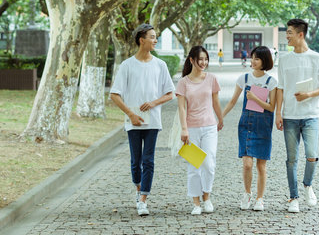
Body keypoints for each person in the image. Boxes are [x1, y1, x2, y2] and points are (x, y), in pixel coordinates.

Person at [110, 23, 176, 216]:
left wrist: (154, 103)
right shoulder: (127, 65)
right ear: (142, 40)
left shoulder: (160, 65)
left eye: (156, 37)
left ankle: (143, 199)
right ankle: (138, 190)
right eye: (152, 37)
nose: (155, 40)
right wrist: (130, 115)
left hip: (153, 121)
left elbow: (170, 93)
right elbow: (114, 95)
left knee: (148, 160)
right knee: (135, 161)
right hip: (133, 122)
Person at [275, 19, 319, 213]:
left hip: (311, 115)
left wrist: (308, 95)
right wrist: (278, 113)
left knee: (312, 155)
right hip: (289, 116)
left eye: (289, 33)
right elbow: (280, 87)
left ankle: (308, 185)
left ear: (300, 34)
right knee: (291, 159)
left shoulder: (317, 58)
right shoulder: (284, 59)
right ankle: (293, 197)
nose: (286, 36)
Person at [222, 46, 278, 212]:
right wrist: (220, 117)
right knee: (247, 164)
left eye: (257, 59)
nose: (253, 61)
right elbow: (232, 101)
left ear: (265, 61)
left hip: (263, 125)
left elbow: (271, 107)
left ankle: (260, 199)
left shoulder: (271, 82)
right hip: (246, 124)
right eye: (252, 58)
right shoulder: (244, 78)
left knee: (261, 165)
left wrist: (254, 98)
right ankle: (247, 193)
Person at [176, 46, 223, 215]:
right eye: (200, 59)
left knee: (209, 164)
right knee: (194, 166)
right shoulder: (183, 83)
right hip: (191, 129)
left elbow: (216, 102)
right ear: (191, 60)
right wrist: (184, 129)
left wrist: (221, 118)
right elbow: (181, 108)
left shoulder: (211, 78)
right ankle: (196, 203)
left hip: (209, 127)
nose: (203, 63)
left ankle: (207, 197)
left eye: (206, 59)